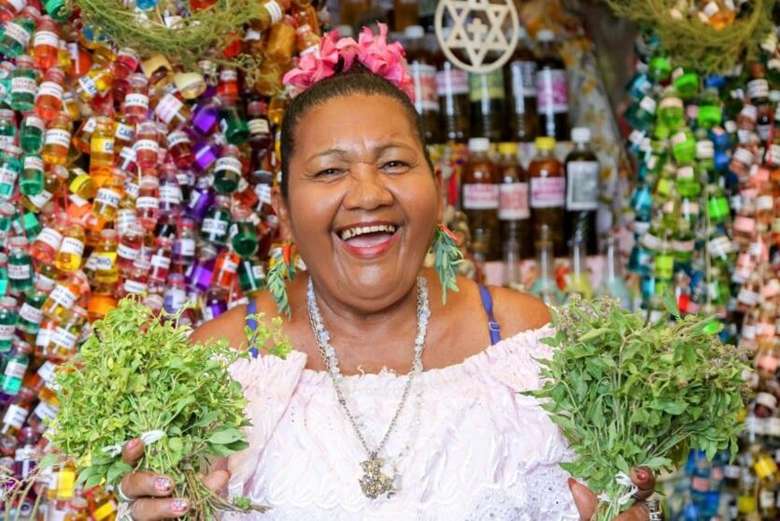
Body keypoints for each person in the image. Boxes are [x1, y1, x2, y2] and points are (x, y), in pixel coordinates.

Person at [115, 25, 654, 520]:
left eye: (394, 163)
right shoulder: (218, 365)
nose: (369, 195)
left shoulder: (526, 344)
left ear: (437, 189)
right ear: (284, 211)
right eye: (330, 170)